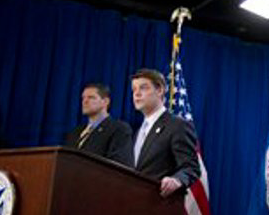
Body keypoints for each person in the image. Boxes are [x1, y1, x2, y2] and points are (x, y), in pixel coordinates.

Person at [130, 69, 200, 197]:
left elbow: (191, 167)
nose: (137, 94)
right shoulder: (138, 131)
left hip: (159, 204)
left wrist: (177, 180)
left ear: (160, 90)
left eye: (143, 88)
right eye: (134, 89)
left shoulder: (177, 125)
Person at [64, 83, 132, 165]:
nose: (85, 101)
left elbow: (119, 165)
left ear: (105, 102)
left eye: (91, 97)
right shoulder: (75, 132)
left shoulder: (119, 129)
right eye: (83, 98)